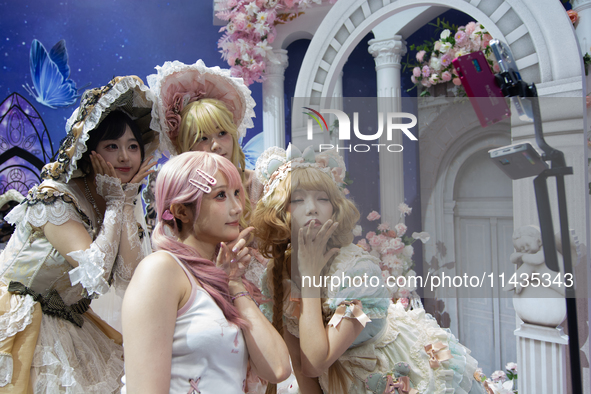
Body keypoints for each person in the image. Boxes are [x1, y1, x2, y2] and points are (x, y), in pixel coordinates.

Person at [252, 145, 487, 394]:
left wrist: (309, 277)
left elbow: (314, 363)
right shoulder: (278, 273)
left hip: (395, 375)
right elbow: (300, 367)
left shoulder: (357, 272)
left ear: (334, 206)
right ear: (277, 212)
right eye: (297, 199)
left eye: (322, 198)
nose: (312, 208)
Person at [0, 75, 160, 393]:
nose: (125, 157)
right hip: (23, 317)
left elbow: (128, 276)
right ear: (89, 152)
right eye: (111, 146)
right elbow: (95, 274)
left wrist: (125, 202)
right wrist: (117, 201)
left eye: (132, 146)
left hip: (70, 321)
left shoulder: (110, 194)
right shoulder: (55, 197)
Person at [121, 151, 290, 393]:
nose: (237, 208)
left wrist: (234, 284)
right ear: (181, 211)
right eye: (220, 195)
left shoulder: (225, 277)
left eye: (236, 194)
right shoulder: (160, 270)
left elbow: (278, 368)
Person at [147, 60, 261, 227]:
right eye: (203, 138)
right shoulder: (181, 196)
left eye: (222, 133)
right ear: (187, 146)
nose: (216, 145)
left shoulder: (258, 185)